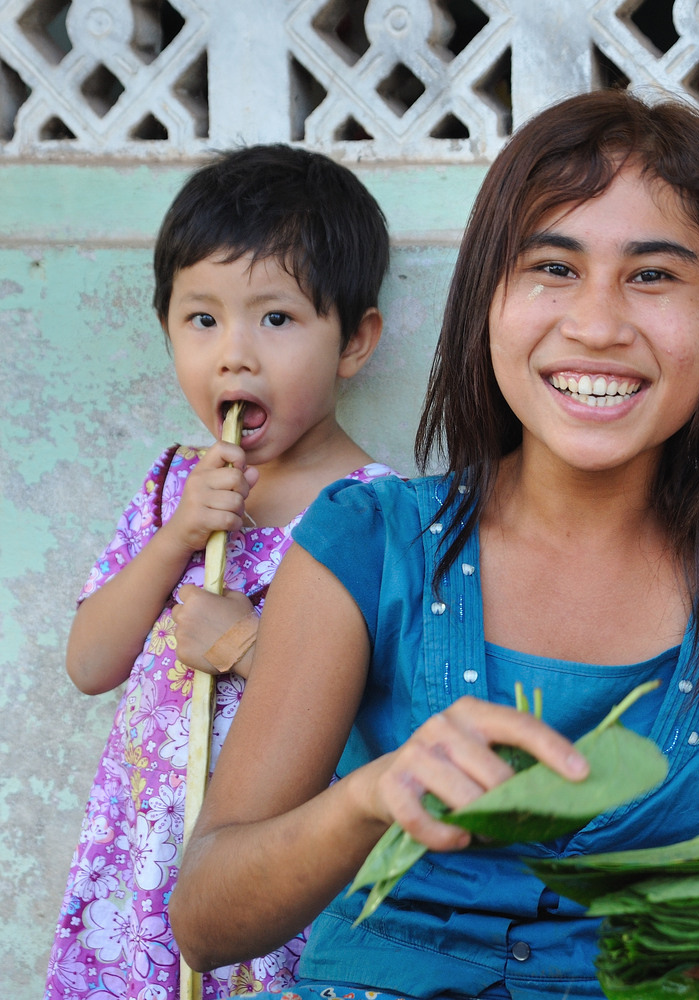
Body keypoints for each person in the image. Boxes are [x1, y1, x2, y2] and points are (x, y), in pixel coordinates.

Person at [169, 90, 699, 1000]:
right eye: (553, 266)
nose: (596, 323)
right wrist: (369, 798)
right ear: (488, 297)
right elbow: (206, 917)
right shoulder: (370, 540)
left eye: (655, 275)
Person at [44, 144, 400, 1000]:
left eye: (276, 319)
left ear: (354, 340)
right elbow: (90, 665)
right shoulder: (171, 484)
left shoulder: (382, 515)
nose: (235, 356)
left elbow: (385, 726)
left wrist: (244, 645)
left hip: (274, 868)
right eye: (202, 320)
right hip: (145, 854)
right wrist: (174, 540)